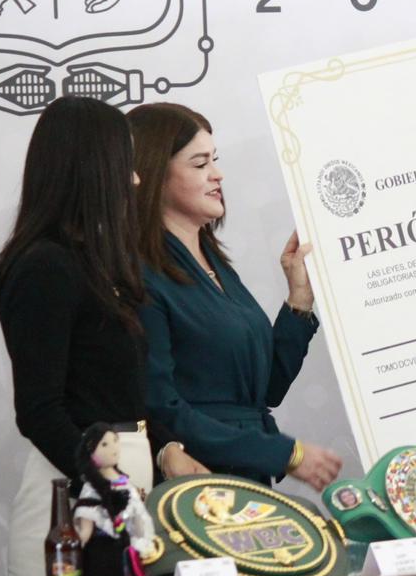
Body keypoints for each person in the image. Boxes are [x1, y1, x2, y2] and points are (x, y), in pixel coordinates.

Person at [0, 96, 205, 576]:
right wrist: (106, 484)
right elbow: (40, 410)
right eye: (124, 166)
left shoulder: (102, 267)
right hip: (72, 503)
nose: (134, 181)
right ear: (92, 170)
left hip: (120, 496)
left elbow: (121, 395)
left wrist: (165, 446)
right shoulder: (45, 267)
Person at [128, 102, 342, 491]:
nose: (217, 174)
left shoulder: (214, 262)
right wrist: (284, 453)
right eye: (199, 164)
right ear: (155, 173)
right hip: (197, 486)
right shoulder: (141, 276)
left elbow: (265, 390)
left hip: (247, 477)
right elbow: (161, 408)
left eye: (216, 160)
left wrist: (298, 303)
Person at [73, 423, 156, 576]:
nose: (113, 448)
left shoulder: (125, 483)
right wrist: (77, 548)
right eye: (104, 445)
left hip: (127, 547)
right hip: (101, 549)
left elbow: (138, 514)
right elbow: (86, 523)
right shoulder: (91, 488)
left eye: (115, 441)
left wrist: (144, 538)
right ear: (91, 451)